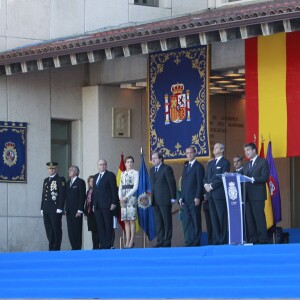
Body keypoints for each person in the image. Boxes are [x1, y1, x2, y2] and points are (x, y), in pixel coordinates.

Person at [243, 142, 270, 244]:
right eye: (245, 151)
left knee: (259, 218)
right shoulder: (246, 165)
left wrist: (253, 179)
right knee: (249, 220)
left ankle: (263, 240)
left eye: (248, 150)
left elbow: (265, 177)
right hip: (247, 196)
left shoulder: (263, 162)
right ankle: (253, 240)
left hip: (258, 196)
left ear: (254, 150)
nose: (246, 153)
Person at [204, 143, 230, 245]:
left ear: (222, 150)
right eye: (214, 148)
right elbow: (205, 177)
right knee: (213, 218)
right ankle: (216, 240)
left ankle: (222, 240)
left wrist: (211, 186)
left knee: (221, 217)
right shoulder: (211, 163)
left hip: (219, 194)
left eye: (216, 147)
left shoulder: (225, 162)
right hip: (210, 195)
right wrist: (206, 185)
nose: (214, 149)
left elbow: (222, 177)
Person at [179, 146, 205, 246]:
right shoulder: (186, 166)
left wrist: (198, 196)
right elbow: (183, 183)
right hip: (185, 199)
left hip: (194, 199)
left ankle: (196, 241)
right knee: (188, 221)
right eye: (187, 153)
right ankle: (189, 241)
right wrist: (181, 197)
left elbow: (200, 183)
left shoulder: (198, 166)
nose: (189, 155)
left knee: (196, 220)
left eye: (190, 153)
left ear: (195, 153)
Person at [150, 152, 177, 247]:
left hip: (165, 199)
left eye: (155, 158)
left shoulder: (166, 169)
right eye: (152, 158)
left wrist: (173, 197)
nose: (153, 160)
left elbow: (171, 183)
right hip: (155, 200)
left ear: (160, 159)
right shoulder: (152, 170)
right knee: (158, 222)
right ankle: (160, 240)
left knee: (167, 221)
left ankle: (167, 241)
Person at [92, 159, 118, 249]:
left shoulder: (110, 175)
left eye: (104, 164)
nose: (102, 166)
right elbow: (94, 192)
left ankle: (108, 244)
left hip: (107, 205)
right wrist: (93, 204)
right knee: (100, 225)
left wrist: (114, 202)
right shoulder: (95, 176)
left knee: (108, 225)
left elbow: (114, 190)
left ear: (106, 165)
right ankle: (102, 244)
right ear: (98, 166)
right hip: (97, 205)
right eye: (100, 164)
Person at [40, 162, 65, 251]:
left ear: (56, 169)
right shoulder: (46, 180)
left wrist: (60, 207)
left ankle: (56, 247)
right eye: (50, 169)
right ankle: (51, 246)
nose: (51, 170)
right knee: (48, 229)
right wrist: (42, 208)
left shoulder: (60, 179)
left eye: (53, 169)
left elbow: (62, 194)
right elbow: (44, 195)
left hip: (55, 209)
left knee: (56, 228)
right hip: (46, 209)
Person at [118, 156, 139, 248]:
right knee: (126, 220)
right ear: (125, 163)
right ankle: (127, 241)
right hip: (123, 198)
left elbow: (135, 186)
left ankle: (131, 241)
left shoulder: (135, 172)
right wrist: (120, 197)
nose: (129, 163)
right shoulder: (123, 173)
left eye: (131, 162)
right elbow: (120, 186)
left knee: (131, 220)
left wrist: (127, 196)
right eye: (128, 162)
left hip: (131, 197)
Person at [65, 165, 86, 250]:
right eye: (69, 170)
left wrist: (80, 210)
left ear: (76, 172)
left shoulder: (80, 182)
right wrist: (66, 209)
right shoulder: (67, 183)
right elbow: (66, 197)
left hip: (77, 210)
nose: (69, 172)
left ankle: (77, 248)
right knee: (70, 231)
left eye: (71, 170)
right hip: (69, 211)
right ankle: (73, 247)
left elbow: (82, 196)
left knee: (77, 230)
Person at [84, 176, 99, 249]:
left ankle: (98, 246)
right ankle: (94, 246)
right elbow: (87, 203)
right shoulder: (88, 191)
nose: (91, 183)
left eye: (93, 181)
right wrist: (85, 213)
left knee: (98, 230)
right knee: (93, 230)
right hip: (90, 213)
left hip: (96, 213)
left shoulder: (97, 190)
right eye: (90, 181)